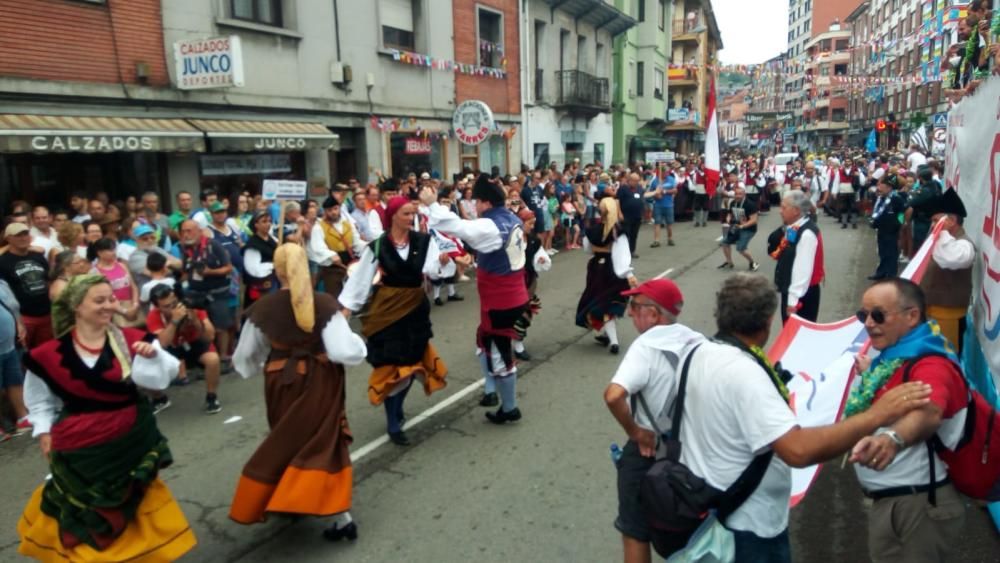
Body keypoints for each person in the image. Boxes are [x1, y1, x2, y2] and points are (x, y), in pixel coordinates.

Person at [665, 273, 931, 561]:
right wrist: (876, 415)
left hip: (706, 507)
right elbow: (798, 450)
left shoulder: (696, 353)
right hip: (748, 527)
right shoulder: (746, 375)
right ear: (768, 320)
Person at [17, 275, 195, 561]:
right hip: (79, 446)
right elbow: (39, 400)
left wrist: (152, 358)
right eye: (99, 300)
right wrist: (45, 433)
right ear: (76, 306)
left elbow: (163, 381)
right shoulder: (46, 354)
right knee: (84, 508)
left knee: (134, 504)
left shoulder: (133, 340)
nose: (109, 305)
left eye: (111, 299)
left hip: (131, 440)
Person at [229, 244, 366, 541]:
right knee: (320, 441)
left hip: (280, 380)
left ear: (278, 271)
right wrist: (359, 346)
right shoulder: (325, 304)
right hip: (319, 379)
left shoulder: (262, 309)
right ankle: (340, 518)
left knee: (287, 437)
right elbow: (344, 350)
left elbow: (245, 357)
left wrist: (265, 361)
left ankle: (291, 501)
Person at [846, 279, 969, 562]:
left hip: (916, 506)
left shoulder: (930, 362)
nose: (868, 323)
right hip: (896, 502)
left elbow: (930, 411)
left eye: (878, 315)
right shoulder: (894, 357)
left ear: (912, 316)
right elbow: (893, 389)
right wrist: (869, 373)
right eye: (862, 315)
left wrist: (893, 439)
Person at [603, 278, 704, 563]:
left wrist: (636, 432)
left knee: (634, 528)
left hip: (649, 448)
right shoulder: (697, 340)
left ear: (655, 314)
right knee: (690, 527)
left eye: (634, 306)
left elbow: (613, 396)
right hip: (690, 449)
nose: (630, 312)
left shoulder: (645, 346)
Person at [339, 196, 449, 445]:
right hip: (386, 312)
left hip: (415, 311)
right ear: (393, 217)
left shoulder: (424, 241)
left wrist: (444, 262)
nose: (411, 219)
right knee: (391, 365)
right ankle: (392, 420)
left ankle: (396, 407)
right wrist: (346, 309)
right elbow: (361, 280)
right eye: (406, 214)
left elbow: (433, 268)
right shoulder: (378, 246)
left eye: (413, 214)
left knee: (410, 365)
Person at [422, 175, 530, 422]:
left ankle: (509, 408)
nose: (476, 208)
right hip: (513, 297)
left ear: (485, 203)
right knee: (484, 342)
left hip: (500, 302)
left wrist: (431, 205)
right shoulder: (511, 218)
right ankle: (492, 391)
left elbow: (459, 227)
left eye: (478, 202)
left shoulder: (490, 225)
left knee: (500, 354)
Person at [146, 284, 223, 414]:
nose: (173, 308)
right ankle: (160, 399)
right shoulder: (154, 316)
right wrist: (175, 321)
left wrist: (196, 321)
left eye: (174, 303)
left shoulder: (190, 306)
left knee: (213, 359)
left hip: (194, 343)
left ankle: (211, 397)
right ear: (157, 307)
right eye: (166, 306)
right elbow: (163, 343)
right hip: (172, 346)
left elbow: (210, 336)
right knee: (144, 366)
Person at [576, 198, 638, 355]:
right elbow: (621, 255)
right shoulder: (617, 231)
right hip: (611, 269)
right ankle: (614, 342)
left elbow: (587, 250)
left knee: (602, 302)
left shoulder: (592, 229)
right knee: (609, 304)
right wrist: (628, 274)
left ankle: (607, 335)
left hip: (596, 267)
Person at [915, 188, 974, 352]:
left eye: (936, 220)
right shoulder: (941, 240)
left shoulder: (964, 245)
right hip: (930, 311)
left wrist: (942, 231)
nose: (933, 225)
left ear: (952, 220)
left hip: (948, 316)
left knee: (946, 357)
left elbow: (950, 259)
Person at [178, 219, 235, 363]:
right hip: (196, 294)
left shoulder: (213, 245)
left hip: (217, 292)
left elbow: (228, 268)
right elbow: (185, 271)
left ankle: (223, 356)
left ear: (199, 231)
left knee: (221, 326)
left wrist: (210, 272)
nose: (185, 234)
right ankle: (208, 356)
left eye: (189, 231)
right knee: (202, 326)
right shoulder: (186, 249)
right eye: (183, 231)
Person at [769, 191, 825, 323]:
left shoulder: (806, 233)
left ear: (795, 211)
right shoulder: (794, 227)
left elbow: (802, 270)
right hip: (792, 290)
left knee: (797, 335)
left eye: (783, 207)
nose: (780, 211)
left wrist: (792, 301)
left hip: (801, 295)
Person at [0, 223, 52, 348]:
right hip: (23, 317)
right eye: (18, 235)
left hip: (46, 314)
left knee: (44, 354)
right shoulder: (3, 261)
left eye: (25, 234)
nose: (23, 238)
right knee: (22, 355)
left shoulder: (38, 256)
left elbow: (49, 280)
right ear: (8, 239)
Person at [511, 207, 551, 362]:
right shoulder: (512, 241)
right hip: (513, 281)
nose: (532, 226)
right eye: (529, 223)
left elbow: (539, 255)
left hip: (529, 281)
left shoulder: (534, 240)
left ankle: (518, 344)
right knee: (512, 313)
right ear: (520, 222)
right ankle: (505, 342)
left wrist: (541, 259)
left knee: (526, 313)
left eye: (533, 223)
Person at [309, 196, 364, 299]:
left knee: (353, 297)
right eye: (330, 210)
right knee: (335, 298)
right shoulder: (319, 227)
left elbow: (356, 242)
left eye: (335, 209)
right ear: (325, 211)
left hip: (351, 265)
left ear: (339, 208)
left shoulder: (348, 224)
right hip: (332, 269)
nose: (333, 212)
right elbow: (318, 247)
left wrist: (368, 246)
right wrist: (331, 255)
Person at [0, 279, 29, 435]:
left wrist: (19, 323)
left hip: (9, 344)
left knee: (14, 381)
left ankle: (22, 418)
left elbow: (12, 306)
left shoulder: (2, 282)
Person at [90, 238, 141, 327]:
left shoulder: (121, 265)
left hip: (131, 305)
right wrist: (123, 311)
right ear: (100, 253)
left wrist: (135, 305)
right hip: (114, 312)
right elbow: (102, 297)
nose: (114, 252)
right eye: (110, 250)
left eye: (114, 249)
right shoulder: (94, 272)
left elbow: (133, 286)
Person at [869, 174, 906, 281]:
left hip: (891, 231)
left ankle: (891, 275)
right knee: (882, 252)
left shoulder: (896, 199)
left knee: (891, 253)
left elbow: (902, 213)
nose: (879, 188)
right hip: (881, 229)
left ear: (889, 187)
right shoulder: (880, 198)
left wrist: (898, 224)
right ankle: (881, 272)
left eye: (882, 186)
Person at [718, 185, 760, 272]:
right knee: (725, 243)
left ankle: (753, 263)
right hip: (736, 227)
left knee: (740, 248)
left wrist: (743, 226)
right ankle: (729, 262)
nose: (737, 196)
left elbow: (754, 220)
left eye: (740, 194)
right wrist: (728, 218)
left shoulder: (750, 204)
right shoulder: (733, 203)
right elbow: (730, 213)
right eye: (736, 194)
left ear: (744, 194)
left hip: (749, 229)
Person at [243, 210, 278, 309]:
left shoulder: (274, 240)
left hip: (275, 280)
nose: (268, 224)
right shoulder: (252, 245)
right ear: (256, 225)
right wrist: (273, 265)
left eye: (269, 221)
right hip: (262, 285)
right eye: (264, 221)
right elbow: (253, 269)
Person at [645, 166, 677, 248]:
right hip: (658, 205)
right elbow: (650, 192)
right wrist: (656, 195)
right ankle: (656, 241)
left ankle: (670, 239)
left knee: (669, 223)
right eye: (665, 172)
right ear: (661, 172)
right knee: (657, 223)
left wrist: (665, 191)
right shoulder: (655, 181)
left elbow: (675, 190)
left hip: (668, 205)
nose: (667, 174)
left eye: (667, 172)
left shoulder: (671, 179)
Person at [617, 173, 645, 257]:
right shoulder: (623, 189)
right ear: (629, 180)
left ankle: (632, 251)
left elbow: (642, 197)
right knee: (626, 234)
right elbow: (617, 201)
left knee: (634, 234)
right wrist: (619, 213)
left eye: (637, 181)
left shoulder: (639, 188)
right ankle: (623, 252)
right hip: (626, 216)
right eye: (635, 181)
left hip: (637, 215)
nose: (636, 182)